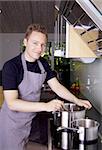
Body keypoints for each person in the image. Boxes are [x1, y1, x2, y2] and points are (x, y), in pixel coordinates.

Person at [0, 23, 92, 150]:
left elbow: (56, 86)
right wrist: (46, 106)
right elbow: (12, 103)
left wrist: (77, 100)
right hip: (11, 123)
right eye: (35, 43)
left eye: (43, 45)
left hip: (28, 120)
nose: (39, 48)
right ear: (25, 42)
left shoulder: (42, 64)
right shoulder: (11, 66)